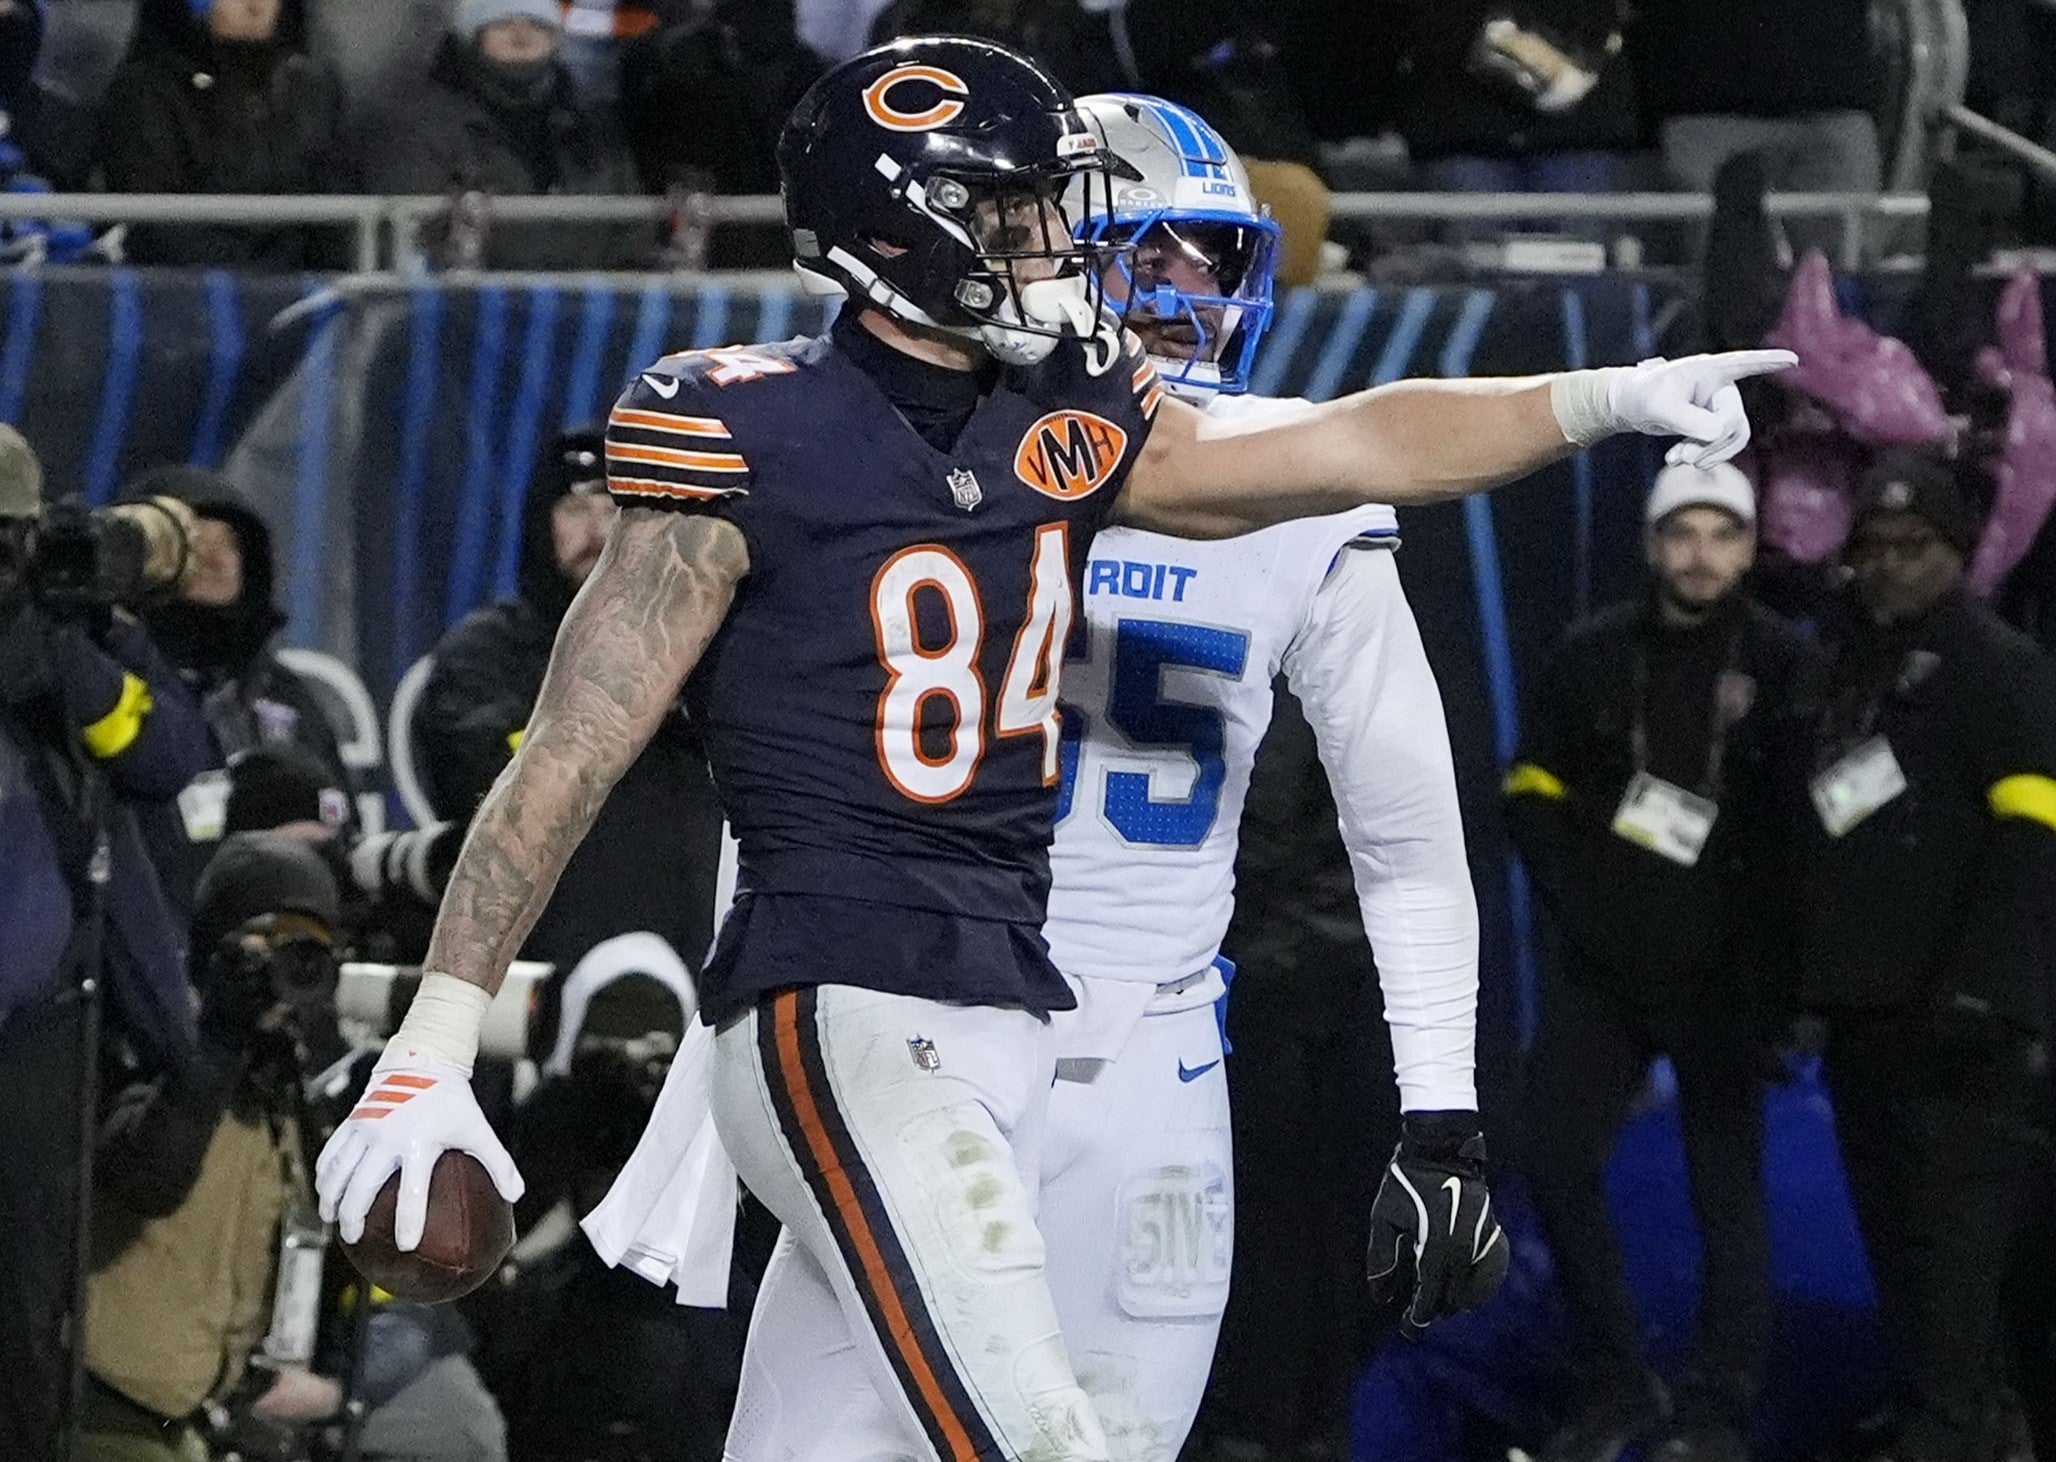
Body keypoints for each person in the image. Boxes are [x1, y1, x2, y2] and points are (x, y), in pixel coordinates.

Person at [313, 35, 1788, 1462]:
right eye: (1014, 211)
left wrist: (1598, 402)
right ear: (909, 227)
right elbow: (562, 756)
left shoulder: (1060, 432)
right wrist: (436, 1041)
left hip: (1019, 1008)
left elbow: (1355, 442)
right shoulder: (742, 432)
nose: (1053, 246)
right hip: (844, 996)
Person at [1031, 93, 1494, 1462]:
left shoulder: (1293, 476)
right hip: (927, 1017)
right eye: (1155, 254)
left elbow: (1406, 828)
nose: (1191, 296)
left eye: (1216, 261)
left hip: (1157, 1047)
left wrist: (1446, 1110)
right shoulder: (925, 440)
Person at [1503, 462, 1822, 1462]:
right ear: (1651, 545)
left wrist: (1786, 977)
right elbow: (1529, 789)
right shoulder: (1592, 652)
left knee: (1726, 1193)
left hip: (1725, 973)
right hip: (1607, 965)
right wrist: (1585, 902)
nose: (1698, 554)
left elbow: (1808, 828)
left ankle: (1719, 1404)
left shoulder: (1785, 662)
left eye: (1719, 534)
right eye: (1679, 533)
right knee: (1548, 1156)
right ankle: (1613, 1377)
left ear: (1747, 547)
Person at [1799, 453, 2056, 1462]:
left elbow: (2030, 841)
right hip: (1869, 1021)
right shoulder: (1844, 668)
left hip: (1966, 1035)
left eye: (1914, 547)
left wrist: (1989, 996)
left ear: (1955, 553)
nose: (1890, 567)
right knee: (1900, 1252)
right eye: (1872, 548)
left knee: (1957, 1264)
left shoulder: (2002, 667)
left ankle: (1952, 1427)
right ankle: (1943, 1414)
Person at [0, 425, 211, 1462]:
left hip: (34, 1026)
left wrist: (68, 648)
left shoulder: (63, 630)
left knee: (25, 1321)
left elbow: (169, 756)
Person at [413, 427, 726, 978]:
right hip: (547, 971)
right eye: (574, 508)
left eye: (617, 508)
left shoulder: (704, 644)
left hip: (704, 968)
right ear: (541, 524)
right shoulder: (489, 652)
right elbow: (479, 779)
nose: (599, 530)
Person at [121, 464, 355, 918]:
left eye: (229, 543)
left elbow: (342, 833)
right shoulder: (106, 682)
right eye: (192, 543)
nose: (214, 558)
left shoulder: (288, 696)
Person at [349, 0, 645, 271]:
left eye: (537, 24)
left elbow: (632, 237)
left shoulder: (592, 132)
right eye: (503, 23)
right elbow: (412, 241)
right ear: (471, 36)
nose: (522, 37)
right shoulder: (410, 126)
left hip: (584, 316)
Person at [96, 0, 347, 269]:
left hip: (298, 295)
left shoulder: (310, 90)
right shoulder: (145, 92)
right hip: (186, 295)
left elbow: (334, 221)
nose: (256, 6)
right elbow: (155, 228)